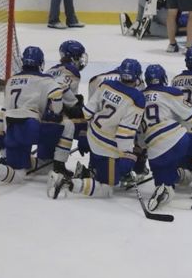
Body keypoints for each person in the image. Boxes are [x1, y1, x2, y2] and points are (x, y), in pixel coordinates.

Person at [47, 59, 145, 199]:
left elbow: (87, 113)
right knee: (107, 188)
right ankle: (66, 182)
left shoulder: (106, 85)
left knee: (103, 174)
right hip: (108, 147)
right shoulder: (137, 98)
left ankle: (88, 173)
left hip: (92, 136)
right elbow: (125, 132)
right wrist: (127, 155)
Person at [0, 47, 63, 188]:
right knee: (65, 128)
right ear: (40, 63)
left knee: (19, 174)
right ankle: (58, 164)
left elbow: (4, 110)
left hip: (10, 127)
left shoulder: (11, 80)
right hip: (30, 127)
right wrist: (56, 111)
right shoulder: (45, 79)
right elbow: (57, 94)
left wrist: (0, 132)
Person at [139, 65, 192, 210]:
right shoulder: (170, 92)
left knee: (168, 184)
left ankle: (164, 190)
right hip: (176, 141)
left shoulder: (137, 98)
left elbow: (139, 137)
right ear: (164, 78)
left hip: (154, 153)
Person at [45, 40, 90, 176]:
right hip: (54, 111)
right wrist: (76, 104)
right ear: (73, 57)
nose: (81, 60)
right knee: (77, 125)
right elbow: (61, 90)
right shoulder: (72, 70)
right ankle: (59, 164)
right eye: (79, 56)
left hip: (41, 109)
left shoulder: (51, 70)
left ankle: (47, 154)